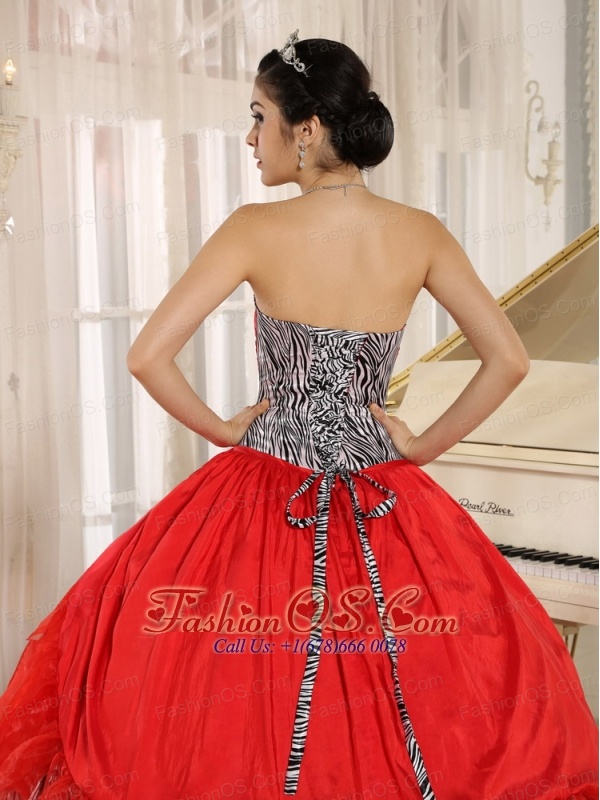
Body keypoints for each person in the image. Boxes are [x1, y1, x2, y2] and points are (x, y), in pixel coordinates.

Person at [0, 30, 597, 800]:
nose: (252, 139)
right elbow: (508, 359)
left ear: (307, 129)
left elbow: (147, 356)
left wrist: (223, 428)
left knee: (219, 699)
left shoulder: (255, 229)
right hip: (386, 492)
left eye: (259, 118)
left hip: (263, 485)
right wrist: (420, 446)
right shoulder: (420, 232)